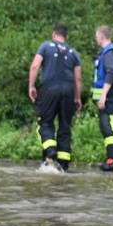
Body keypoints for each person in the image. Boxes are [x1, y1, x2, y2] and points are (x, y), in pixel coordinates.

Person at [28, 24, 83, 172]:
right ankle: (64, 163)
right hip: (68, 90)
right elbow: (78, 78)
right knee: (65, 125)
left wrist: (32, 86)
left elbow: (35, 66)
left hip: (49, 89)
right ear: (66, 37)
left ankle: (50, 151)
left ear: (54, 34)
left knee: (45, 121)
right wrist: (77, 97)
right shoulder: (73, 53)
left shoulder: (45, 46)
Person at [92, 25, 113, 172]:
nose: (95, 38)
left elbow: (110, 73)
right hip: (108, 95)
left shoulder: (109, 53)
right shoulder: (107, 52)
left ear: (101, 36)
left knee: (108, 126)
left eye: (96, 35)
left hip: (109, 96)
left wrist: (103, 95)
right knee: (106, 126)